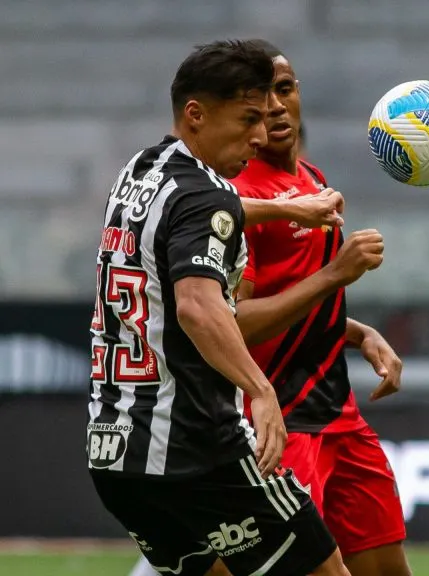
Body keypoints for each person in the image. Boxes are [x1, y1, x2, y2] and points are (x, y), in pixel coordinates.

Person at [88, 39, 349, 576]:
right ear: (196, 114)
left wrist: (286, 208)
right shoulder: (205, 197)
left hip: (115, 452)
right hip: (201, 450)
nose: (260, 135)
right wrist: (261, 389)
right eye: (247, 118)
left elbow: (209, 208)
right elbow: (198, 308)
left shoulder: (140, 171)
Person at [230, 40, 411, 576]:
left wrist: (356, 333)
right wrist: (338, 274)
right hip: (278, 418)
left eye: (284, 89)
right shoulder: (239, 199)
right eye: (259, 97)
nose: (275, 106)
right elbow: (234, 322)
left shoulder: (310, 180)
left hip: (339, 413)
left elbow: (297, 296)